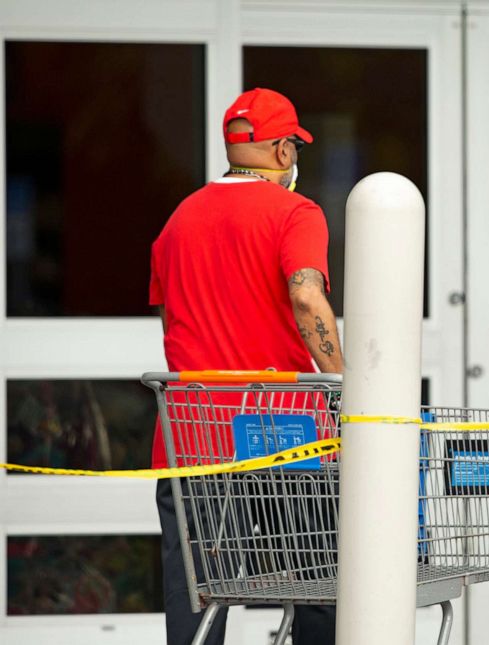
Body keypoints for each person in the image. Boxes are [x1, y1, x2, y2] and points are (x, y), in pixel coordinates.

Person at [149, 87, 344, 645]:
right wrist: (345, 385)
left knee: (197, 595)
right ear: (284, 151)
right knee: (317, 584)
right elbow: (307, 297)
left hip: (194, 435)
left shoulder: (179, 220)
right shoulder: (295, 213)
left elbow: (173, 323)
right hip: (286, 433)